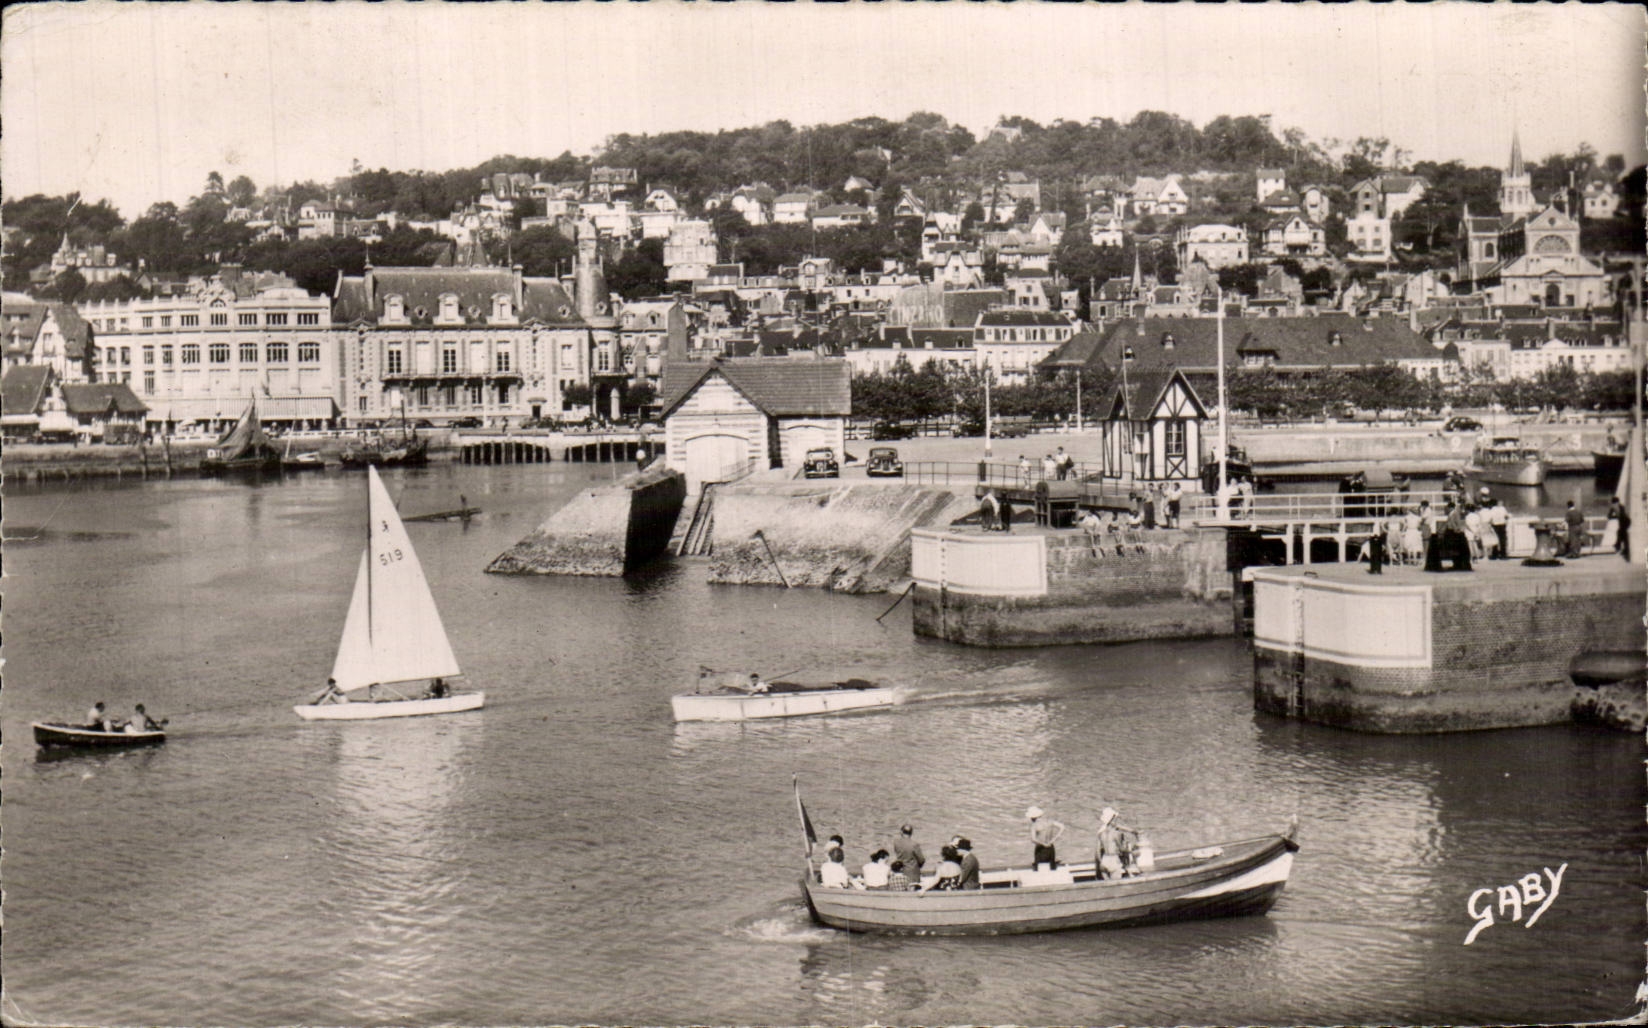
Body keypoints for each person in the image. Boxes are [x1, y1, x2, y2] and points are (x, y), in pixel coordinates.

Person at [1094, 807, 1127, 880]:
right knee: (1116, 886)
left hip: (1104, 860)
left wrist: (1100, 863)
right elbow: (1121, 849)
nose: (1116, 821)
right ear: (1112, 820)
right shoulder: (1116, 833)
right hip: (1113, 859)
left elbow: (1097, 852)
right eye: (1115, 819)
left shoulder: (1101, 833)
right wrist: (1127, 849)